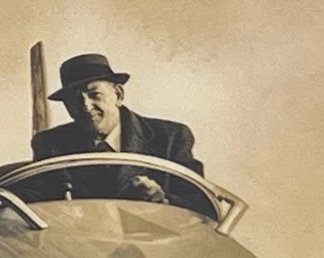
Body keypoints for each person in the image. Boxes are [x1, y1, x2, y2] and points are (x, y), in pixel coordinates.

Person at [31, 53, 202, 204]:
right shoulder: (50, 144)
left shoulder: (170, 138)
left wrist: (163, 199)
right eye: (74, 99)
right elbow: (33, 202)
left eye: (94, 94)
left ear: (119, 95)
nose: (85, 106)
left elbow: (201, 203)